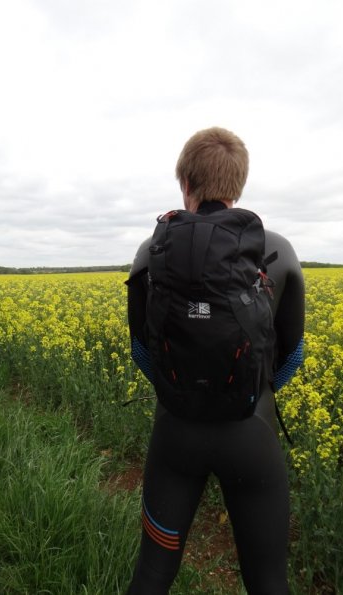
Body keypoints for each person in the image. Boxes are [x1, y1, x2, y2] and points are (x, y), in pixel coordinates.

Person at [125, 127, 305, 594]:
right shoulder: (278, 251)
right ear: (239, 184)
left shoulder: (152, 250)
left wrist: (185, 390)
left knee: (151, 576)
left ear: (185, 182)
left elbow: (141, 352)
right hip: (252, 433)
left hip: (175, 433)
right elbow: (292, 355)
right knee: (268, 583)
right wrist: (246, 389)